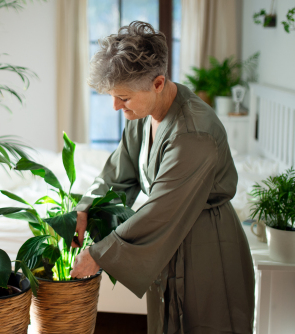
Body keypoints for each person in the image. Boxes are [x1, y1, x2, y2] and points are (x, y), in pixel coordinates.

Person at [69, 21, 255, 334]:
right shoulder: (142, 117)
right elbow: (118, 172)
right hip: (166, 246)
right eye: (113, 96)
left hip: (207, 251)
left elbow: (162, 210)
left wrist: (100, 254)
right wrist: (85, 208)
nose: (116, 106)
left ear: (157, 83)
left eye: (124, 98)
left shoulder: (194, 134)